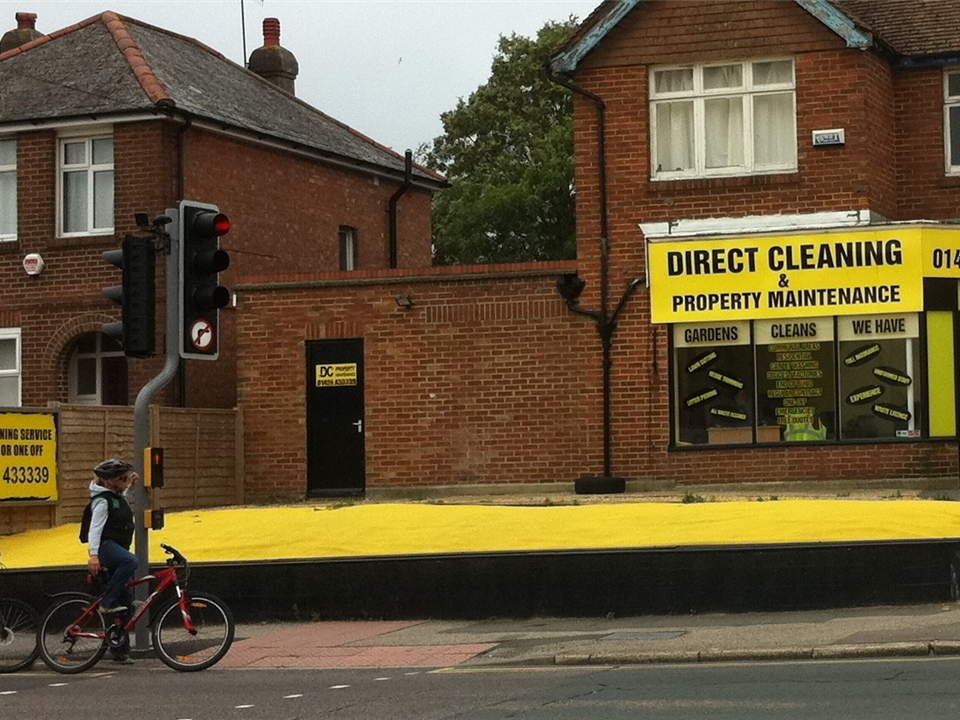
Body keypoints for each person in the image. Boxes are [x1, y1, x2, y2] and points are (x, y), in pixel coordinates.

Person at [84, 458, 138, 616]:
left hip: (117, 546)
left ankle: (116, 638)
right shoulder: (102, 501)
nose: (127, 481)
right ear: (112, 480)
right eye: (124, 479)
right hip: (106, 546)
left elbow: (120, 505)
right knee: (130, 561)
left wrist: (131, 489)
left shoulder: (114, 498)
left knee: (126, 601)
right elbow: (95, 528)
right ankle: (107, 603)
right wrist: (94, 555)